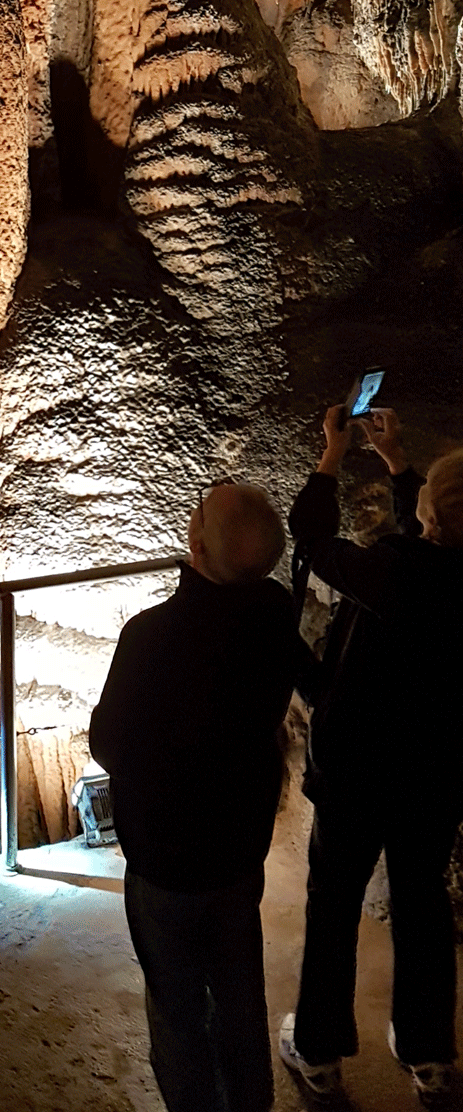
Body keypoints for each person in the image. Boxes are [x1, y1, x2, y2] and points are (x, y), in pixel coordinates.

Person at [90, 480, 313, 1112]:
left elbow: (111, 744)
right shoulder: (275, 614)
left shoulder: (151, 635)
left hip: (166, 857)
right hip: (240, 850)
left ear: (194, 541)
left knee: (177, 1002)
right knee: (240, 989)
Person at [280, 406, 463, 1106]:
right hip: (438, 773)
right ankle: (429, 1057)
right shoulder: (444, 571)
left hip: (359, 768)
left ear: (430, 517)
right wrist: (398, 460)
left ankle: (319, 1051)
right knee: (422, 903)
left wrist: (330, 457)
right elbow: (443, 534)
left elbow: (312, 537)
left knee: (333, 903)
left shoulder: (391, 570)